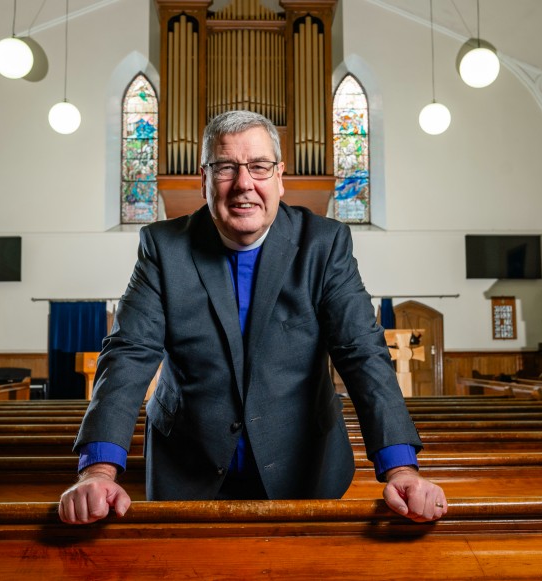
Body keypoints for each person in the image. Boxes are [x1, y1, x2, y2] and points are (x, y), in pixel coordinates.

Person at [58, 110, 447, 524]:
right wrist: (98, 470)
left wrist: (401, 469)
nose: (244, 184)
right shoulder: (163, 247)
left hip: (303, 469)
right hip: (188, 470)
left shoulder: (324, 244)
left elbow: (362, 352)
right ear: (203, 179)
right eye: (226, 167)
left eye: (259, 166)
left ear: (280, 176)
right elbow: (128, 354)